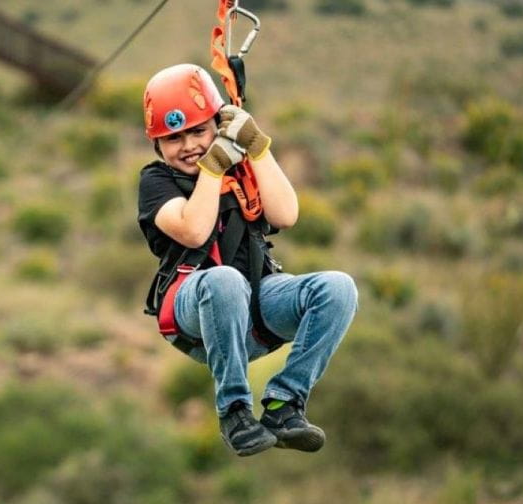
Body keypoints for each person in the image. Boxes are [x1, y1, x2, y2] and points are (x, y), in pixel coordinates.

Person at [138, 63, 358, 457]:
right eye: (174, 138)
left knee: (338, 288)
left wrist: (255, 146)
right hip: (195, 306)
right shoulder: (156, 181)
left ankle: (284, 404)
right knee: (224, 280)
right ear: (157, 145)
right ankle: (235, 411)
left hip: (256, 302)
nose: (188, 145)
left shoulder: (241, 171)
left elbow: (286, 215)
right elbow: (194, 231)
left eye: (198, 131)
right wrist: (213, 166)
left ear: (217, 126)